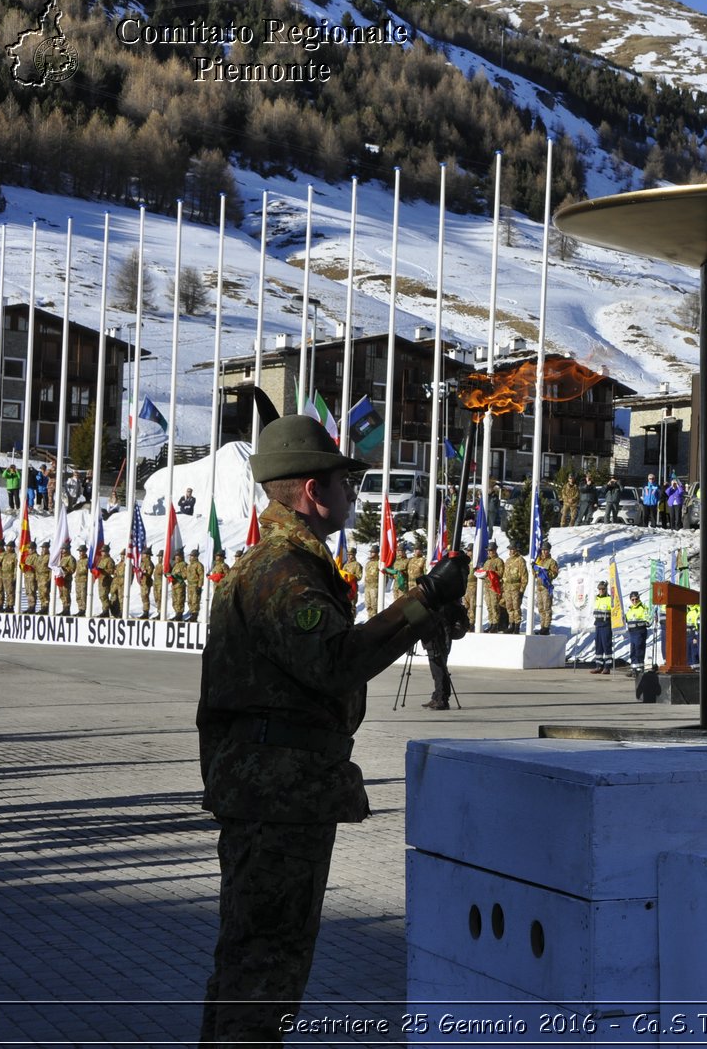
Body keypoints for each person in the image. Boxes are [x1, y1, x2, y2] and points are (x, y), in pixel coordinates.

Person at [196, 415, 470, 1044]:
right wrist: (422, 599)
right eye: (346, 480)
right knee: (266, 964)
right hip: (277, 796)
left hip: (278, 792)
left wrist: (422, 611)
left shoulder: (287, 564)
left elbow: (332, 655)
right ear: (314, 492)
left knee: (257, 961)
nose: (354, 491)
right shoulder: (283, 570)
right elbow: (336, 661)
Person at [531, 544, 559, 634]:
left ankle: (546, 627)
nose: (544, 552)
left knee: (547, 608)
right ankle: (542, 626)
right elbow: (535, 574)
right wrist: (534, 567)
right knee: (540, 608)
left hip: (546, 587)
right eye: (542, 550)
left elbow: (554, 574)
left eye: (546, 550)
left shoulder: (552, 562)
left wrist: (545, 573)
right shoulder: (539, 561)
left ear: (549, 551)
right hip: (539, 587)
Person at [590, 580, 614, 673]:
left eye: (603, 589)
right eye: (599, 589)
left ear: (606, 589)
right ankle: (598, 665)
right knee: (598, 646)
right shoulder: (596, 599)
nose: (601, 590)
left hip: (606, 625)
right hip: (598, 625)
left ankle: (607, 666)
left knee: (606, 645)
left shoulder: (609, 599)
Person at [625, 590, 651, 673]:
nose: (634, 601)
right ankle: (634, 667)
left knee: (639, 649)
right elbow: (626, 620)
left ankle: (639, 667)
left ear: (639, 598)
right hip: (632, 633)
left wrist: (638, 624)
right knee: (633, 650)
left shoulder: (643, 608)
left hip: (640, 632)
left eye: (636, 599)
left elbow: (648, 621)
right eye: (632, 599)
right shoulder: (630, 610)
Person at [186, 548, 207, 622]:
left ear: (195, 557)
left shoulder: (199, 565)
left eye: (191, 556)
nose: (190, 557)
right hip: (189, 585)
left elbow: (201, 576)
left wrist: (199, 586)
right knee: (190, 601)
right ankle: (191, 614)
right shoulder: (189, 566)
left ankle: (194, 615)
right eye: (190, 556)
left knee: (195, 600)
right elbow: (186, 575)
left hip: (195, 585)